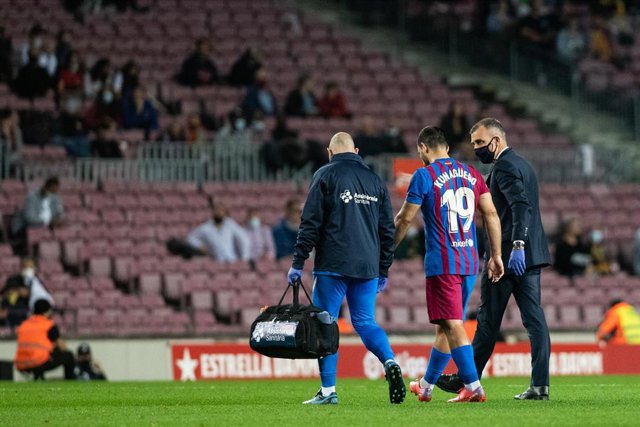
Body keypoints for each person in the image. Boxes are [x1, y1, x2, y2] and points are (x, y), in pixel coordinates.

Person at [287, 132, 405, 405]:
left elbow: (310, 222)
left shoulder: (325, 175)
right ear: (357, 150)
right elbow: (388, 230)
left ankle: (328, 391)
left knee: (324, 324)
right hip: (366, 267)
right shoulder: (375, 181)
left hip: (333, 265)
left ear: (330, 151)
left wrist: (297, 262)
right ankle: (389, 361)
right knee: (365, 322)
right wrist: (383, 269)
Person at [438, 118, 552, 401]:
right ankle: (540, 386)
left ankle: (466, 381)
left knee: (488, 320)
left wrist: (515, 246)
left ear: (496, 141)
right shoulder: (524, 165)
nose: (476, 148)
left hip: (507, 258)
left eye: (479, 142)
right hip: (530, 258)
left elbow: (520, 207)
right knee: (535, 321)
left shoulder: (503, 166)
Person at [393, 126, 503, 403]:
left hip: (443, 261)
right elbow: (490, 213)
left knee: (452, 324)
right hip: (469, 261)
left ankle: (473, 386)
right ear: (448, 149)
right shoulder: (472, 174)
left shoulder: (424, 175)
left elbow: (405, 219)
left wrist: (386, 250)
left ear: (423, 148)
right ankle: (427, 385)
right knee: (444, 325)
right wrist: (496, 254)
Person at [14, 299, 76, 380]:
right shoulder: (48, 325)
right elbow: (62, 347)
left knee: (43, 353)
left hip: (21, 363)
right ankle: (70, 381)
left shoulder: (24, 324)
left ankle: (38, 378)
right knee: (68, 355)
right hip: (38, 362)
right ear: (46, 311)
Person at [186, 202, 251, 263]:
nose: (219, 213)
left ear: (225, 212)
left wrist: (244, 258)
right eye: (217, 210)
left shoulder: (230, 224)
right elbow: (191, 238)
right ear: (213, 212)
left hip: (231, 260)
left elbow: (244, 239)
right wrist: (200, 247)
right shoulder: (206, 227)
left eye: (221, 211)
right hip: (216, 261)